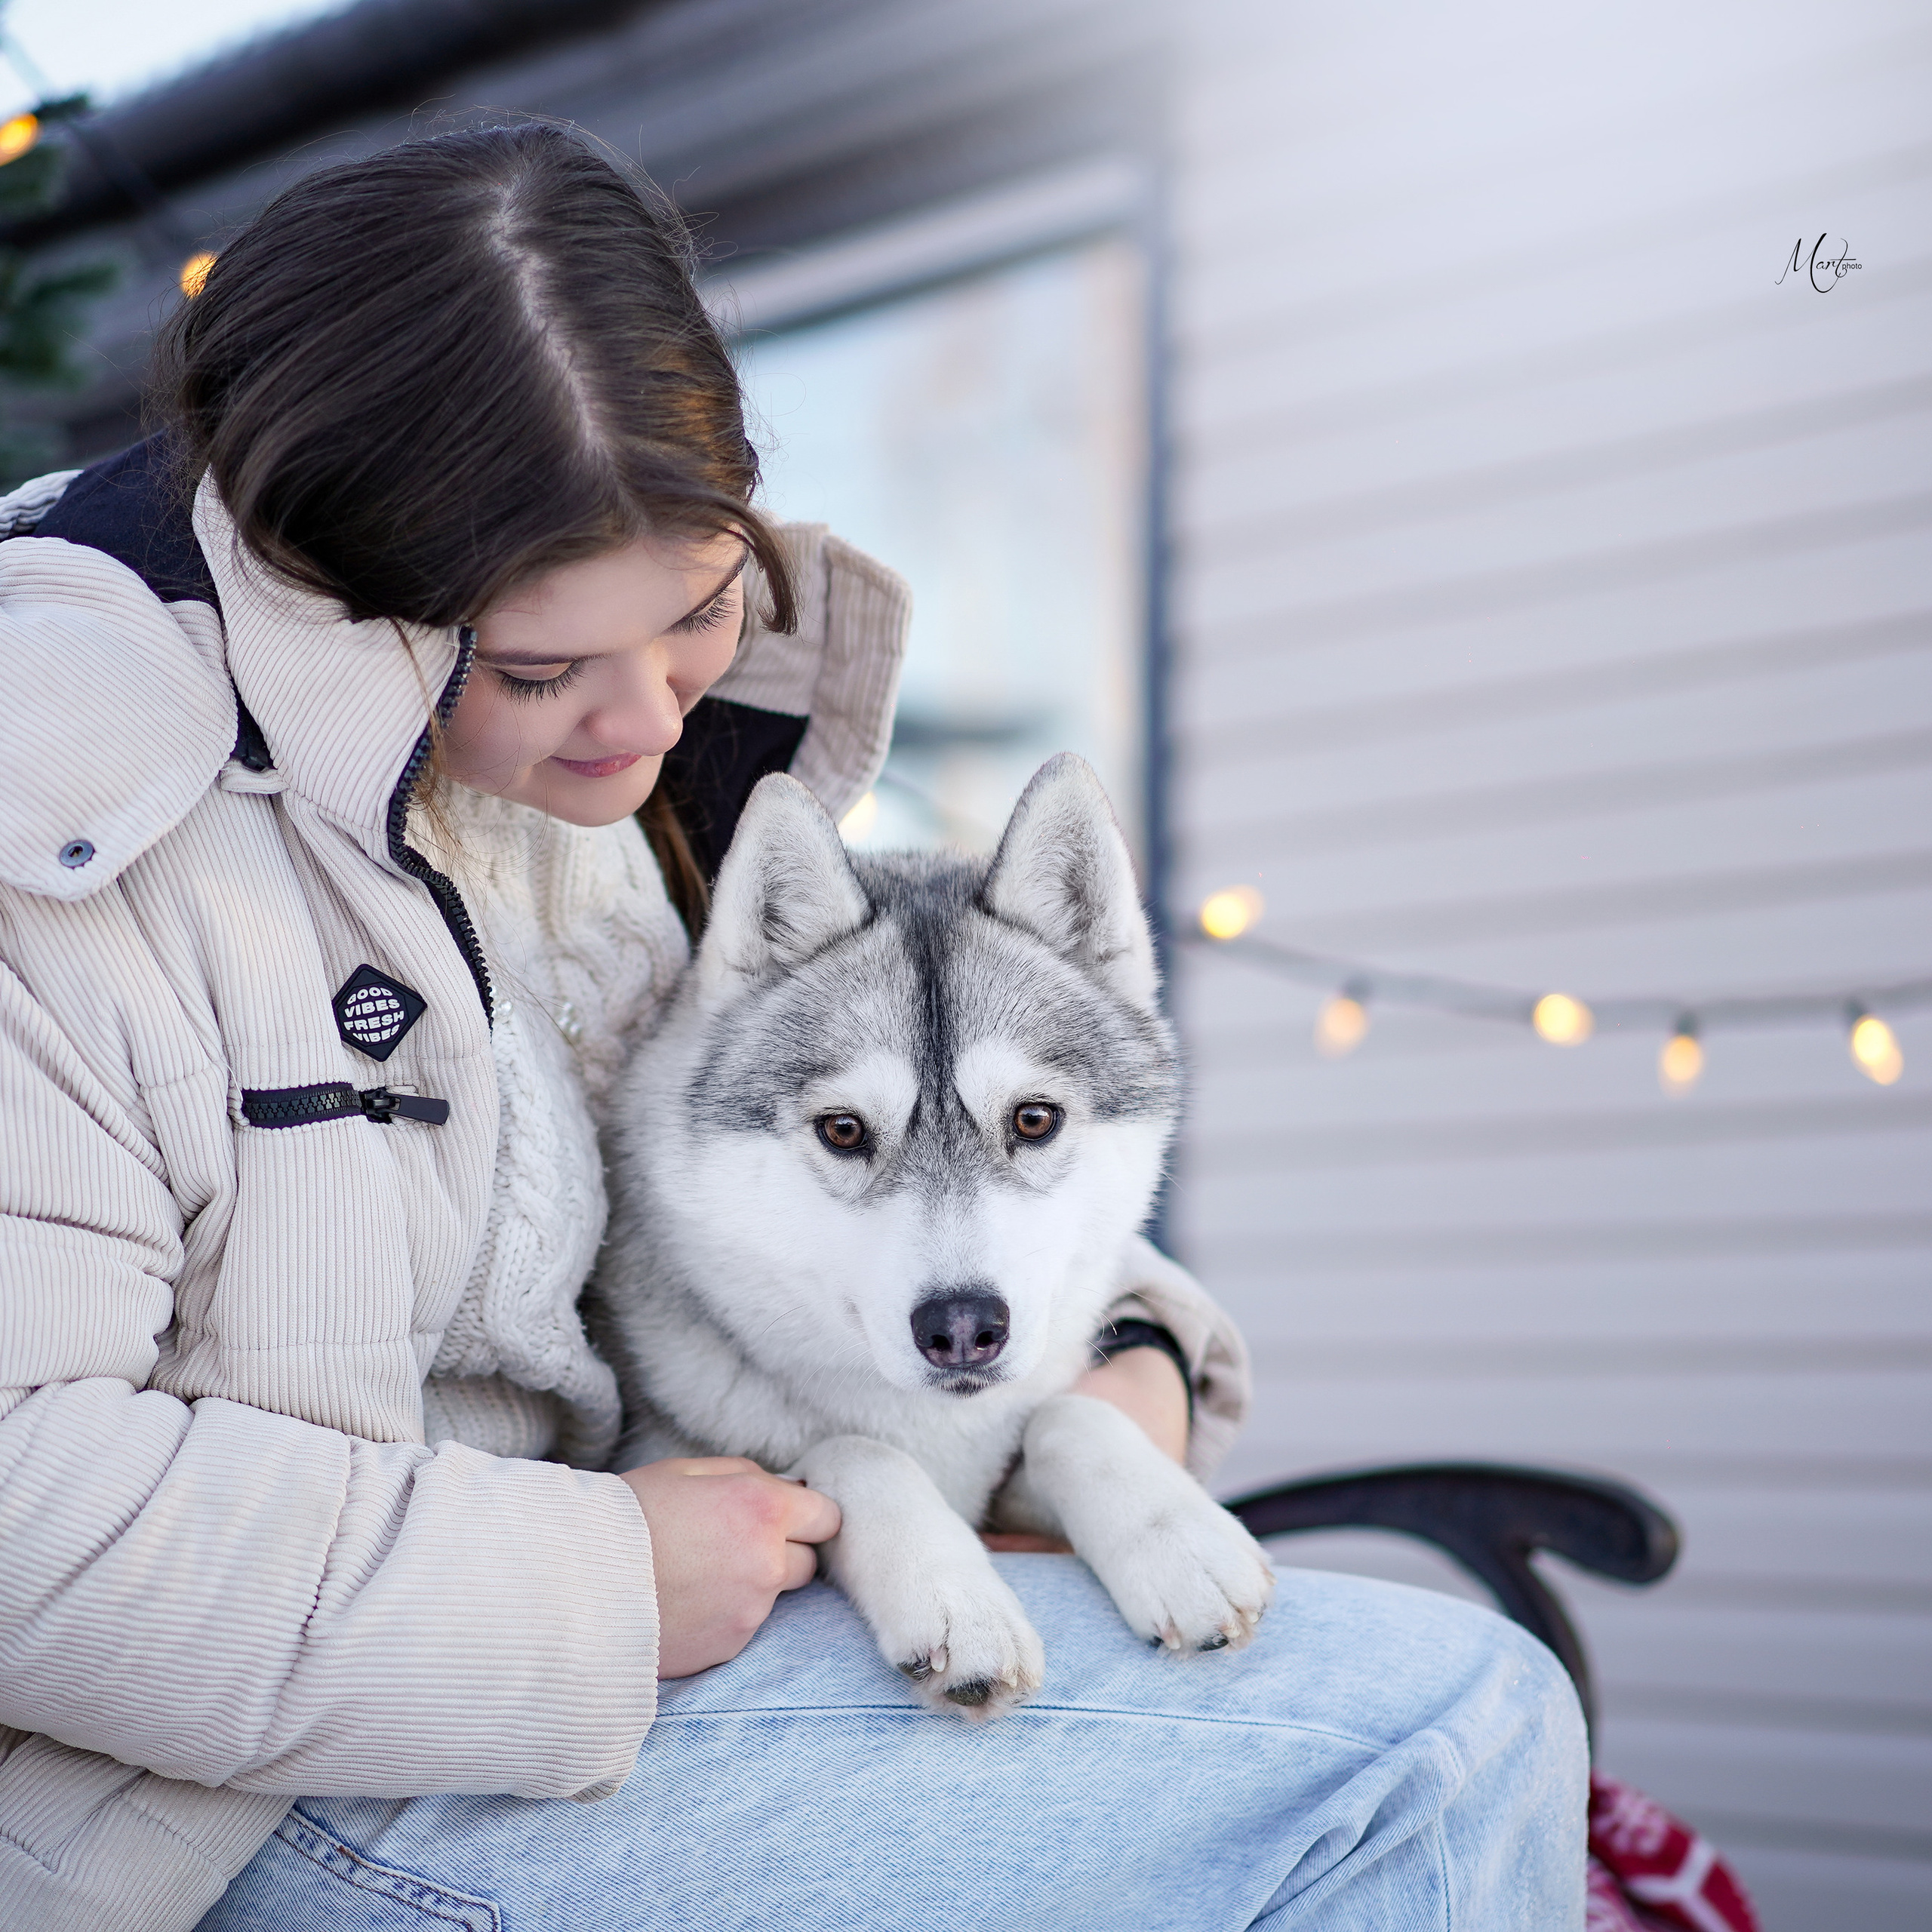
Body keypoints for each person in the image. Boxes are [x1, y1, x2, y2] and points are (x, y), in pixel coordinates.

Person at [0, 125, 1586, 1931]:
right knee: (1424, 1738)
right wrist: (590, 1583)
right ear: (335, 587)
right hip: (201, 1809)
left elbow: (798, 1174)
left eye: (697, 611)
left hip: (667, 1622)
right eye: (539, 668)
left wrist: (1116, 1346)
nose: (645, 720)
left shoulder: (601, 788)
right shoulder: (64, 823)